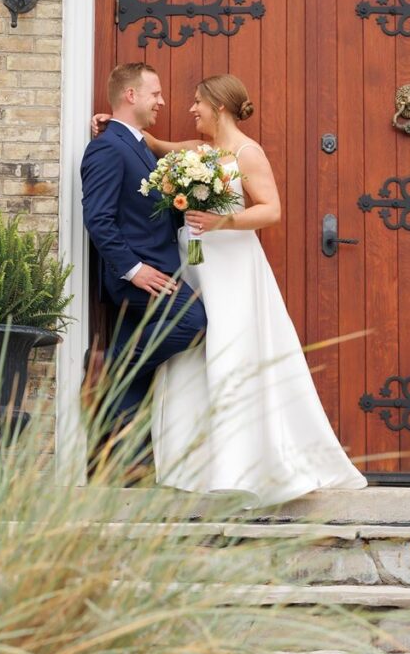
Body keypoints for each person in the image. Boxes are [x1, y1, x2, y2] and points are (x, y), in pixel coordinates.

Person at [93, 73, 366, 504]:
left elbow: (271, 210)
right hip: (195, 265)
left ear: (218, 106)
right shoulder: (198, 151)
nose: (190, 109)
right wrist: (114, 122)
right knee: (196, 357)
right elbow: (150, 146)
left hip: (233, 266)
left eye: (197, 102)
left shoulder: (246, 153)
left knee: (234, 349)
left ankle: (249, 464)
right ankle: (196, 466)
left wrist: (223, 221)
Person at [80, 63, 207, 469]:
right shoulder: (106, 147)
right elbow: (98, 217)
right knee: (193, 322)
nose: (162, 101)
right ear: (131, 95)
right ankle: (109, 365)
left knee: (138, 377)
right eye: (155, 93)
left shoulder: (133, 143)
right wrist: (133, 269)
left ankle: (121, 467)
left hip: (159, 269)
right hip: (141, 276)